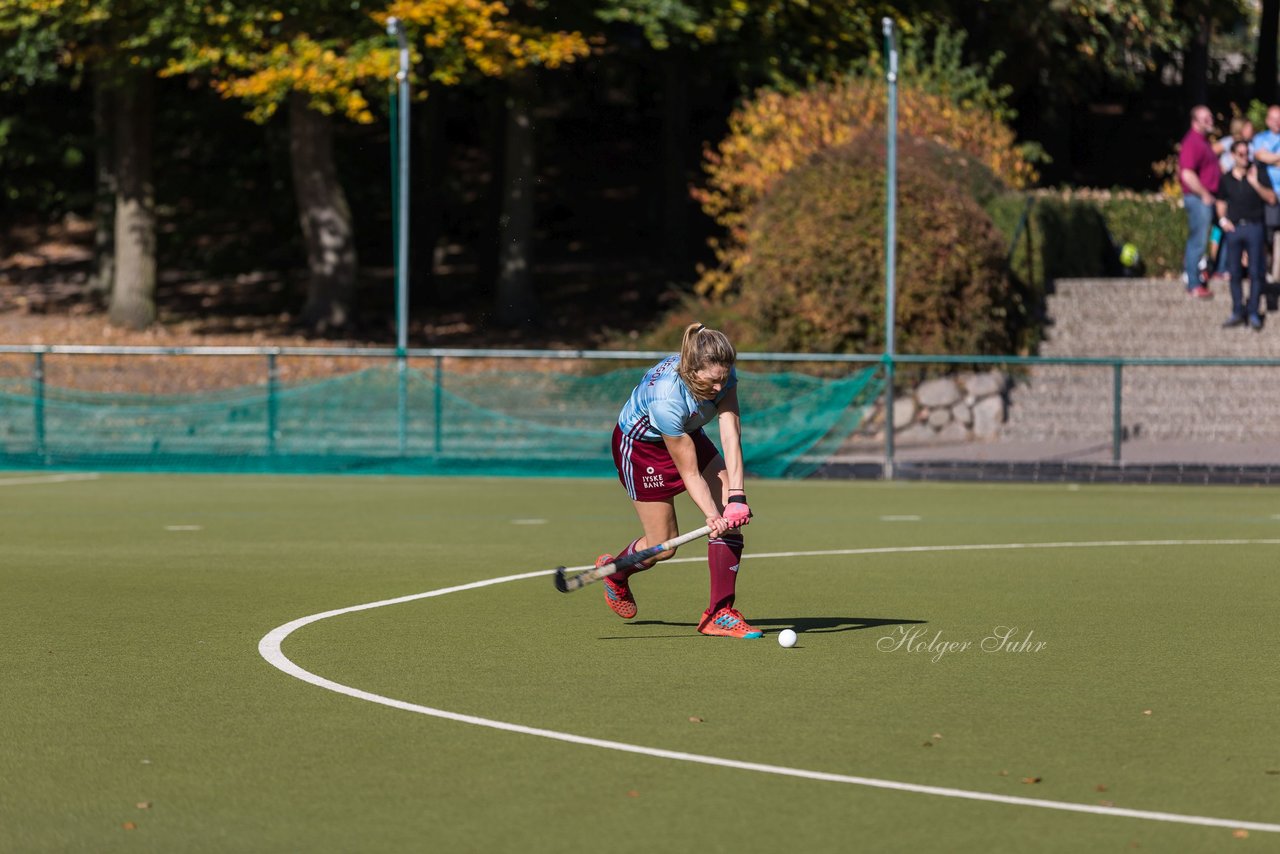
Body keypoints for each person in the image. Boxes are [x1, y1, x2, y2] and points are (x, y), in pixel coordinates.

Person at [596, 322, 759, 639]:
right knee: (663, 545)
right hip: (643, 449)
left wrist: (736, 498)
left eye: (723, 379)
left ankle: (719, 613)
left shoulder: (722, 376)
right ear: (692, 370)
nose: (718, 388)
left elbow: (730, 435)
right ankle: (617, 572)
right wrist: (711, 516)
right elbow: (690, 472)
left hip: (688, 432)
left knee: (730, 509)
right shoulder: (667, 400)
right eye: (712, 381)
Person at [1216, 140, 1276, 330]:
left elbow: (1272, 199)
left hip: (1254, 227)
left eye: (1247, 153)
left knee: (1256, 272)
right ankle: (1237, 310)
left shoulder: (1258, 172)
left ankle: (1253, 312)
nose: (1245, 158)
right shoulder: (1226, 179)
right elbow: (1220, 202)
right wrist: (1223, 221)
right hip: (1234, 229)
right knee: (1234, 272)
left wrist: (1255, 183)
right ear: (1233, 155)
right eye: (1240, 154)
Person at [1179, 105, 1220, 299]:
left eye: (1210, 117)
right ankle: (1193, 283)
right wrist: (1204, 194)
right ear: (1195, 122)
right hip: (1197, 198)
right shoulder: (1192, 142)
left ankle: (1213, 272)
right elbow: (1186, 174)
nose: (1210, 120)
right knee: (1198, 240)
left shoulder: (1203, 142)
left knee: (1213, 235)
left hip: (1206, 198)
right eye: (1206, 118)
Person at [1249, 104, 1280, 282]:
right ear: (1267, 121)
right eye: (1274, 118)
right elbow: (1260, 156)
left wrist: (1271, 158)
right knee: (1268, 234)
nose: (1277, 122)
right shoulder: (1261, 138)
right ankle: (1266, 268)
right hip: (1269, 194)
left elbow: (1266, 157)